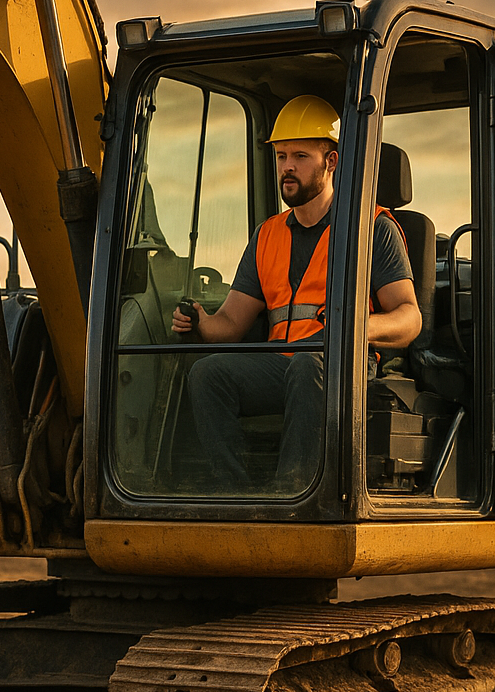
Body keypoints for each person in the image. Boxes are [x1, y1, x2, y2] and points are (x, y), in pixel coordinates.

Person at [171, 94, 421, 488]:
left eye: (300, 156)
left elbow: (409, 318)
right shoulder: (267, 235)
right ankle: (234, 495)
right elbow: (232, 324)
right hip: (280, 364)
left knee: (309, 365)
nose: (287, 167)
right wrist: (201, 321)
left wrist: (356, 327)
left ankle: (294, 491)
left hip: (342, 365)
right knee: (208, 373)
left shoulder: (372, 228)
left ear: (331, 162)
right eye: (281, 155)